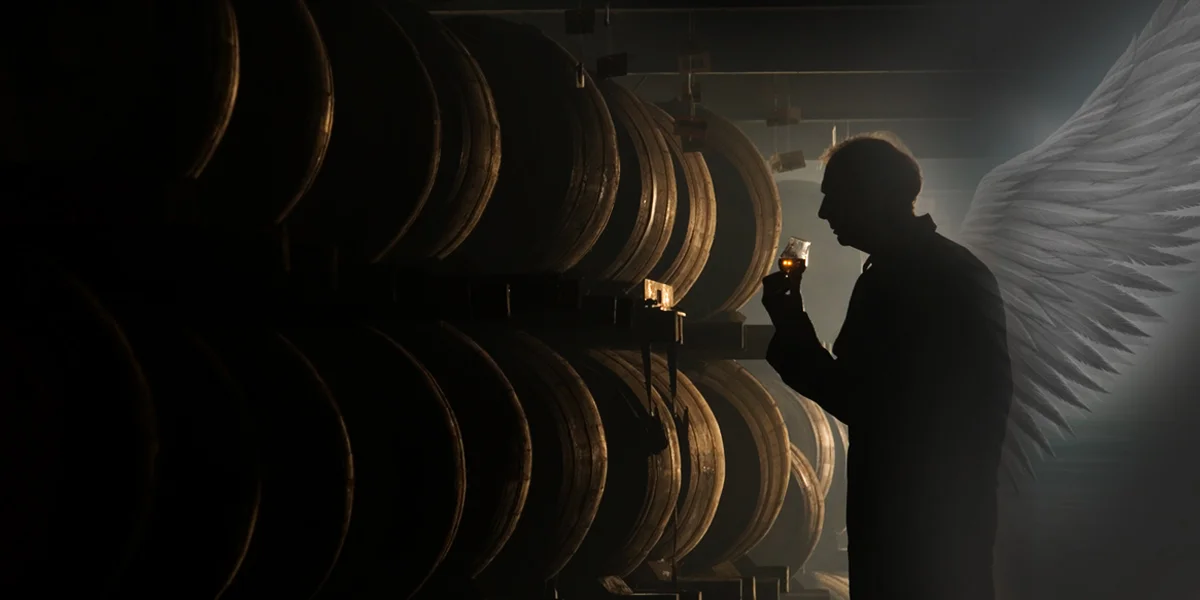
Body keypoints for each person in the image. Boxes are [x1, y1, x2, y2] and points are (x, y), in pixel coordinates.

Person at [762, 134, 1012, 600]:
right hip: (952, 513)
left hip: (911, 522)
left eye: (833, 197)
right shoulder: (949, 267)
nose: (823, 214)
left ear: (869, 196)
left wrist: (790, 324)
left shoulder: (904, 278)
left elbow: (862, 399)